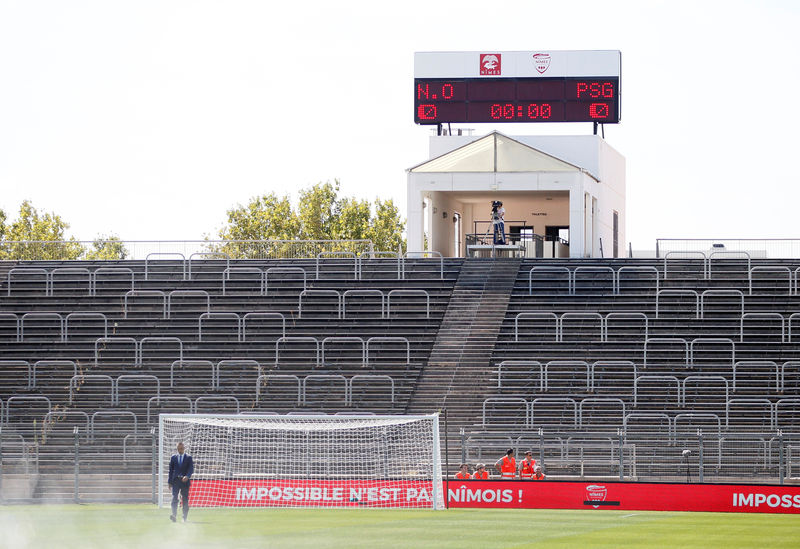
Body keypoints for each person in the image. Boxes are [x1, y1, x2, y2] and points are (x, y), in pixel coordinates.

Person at [168, 441, 194, 523]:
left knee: (185, 499)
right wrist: (169, 482)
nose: (180, 450)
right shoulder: (173, 457)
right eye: (179, 449)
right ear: (177, 449)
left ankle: (184, 517)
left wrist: (187, 476)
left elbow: (191, 469)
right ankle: (174, 515)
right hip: (176, 481)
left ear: (184, 448)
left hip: (185, 482)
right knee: (174, 498)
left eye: (181, 448)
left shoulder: (188, 458)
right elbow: (171, 470)